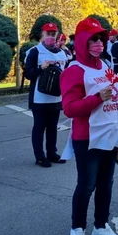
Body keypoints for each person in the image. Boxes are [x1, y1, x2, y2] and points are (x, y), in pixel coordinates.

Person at [60, 17, 118, 235]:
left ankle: (101, 226)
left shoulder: (104, 65)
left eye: (101, 39)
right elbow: (70, 108)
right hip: (87, 138)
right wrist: (95, 99)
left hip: (110, 135)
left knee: (106, 183)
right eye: (92, 39)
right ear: (82, 41)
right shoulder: (74, 70)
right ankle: (77, 228)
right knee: (86, 185)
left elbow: (115, 90)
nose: (98, 44)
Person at [24, 22, 68, 167]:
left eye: (53, 34)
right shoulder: (35, 51)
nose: (50, 37)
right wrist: (40, 68)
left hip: (56, 97)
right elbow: (28, 74)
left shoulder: (62, 53)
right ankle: (40, 156)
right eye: (48, 34)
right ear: (42, 35)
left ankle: (52, 153)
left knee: (52, 127)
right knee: (39, 127)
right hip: (39, 98)